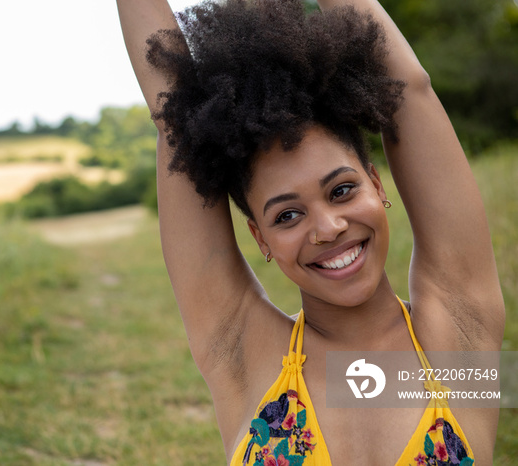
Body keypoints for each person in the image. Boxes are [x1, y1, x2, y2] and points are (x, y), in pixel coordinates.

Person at [116, 0, 505, 464]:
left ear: (376, 184)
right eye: (287, 216)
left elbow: (408, 87)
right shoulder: (241, 355)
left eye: (341, 190)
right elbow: (174, 117)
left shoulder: (460, 335)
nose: (328, 228)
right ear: (259, 238)